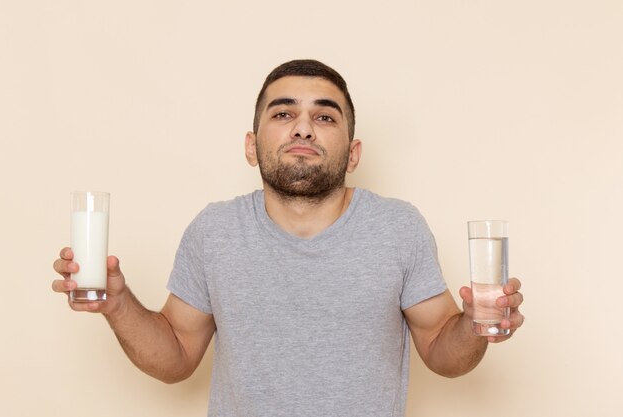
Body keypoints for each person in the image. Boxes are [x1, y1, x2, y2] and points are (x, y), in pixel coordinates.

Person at [53, 59, 524, 416]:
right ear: (251, 146)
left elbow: (444, 350)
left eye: (325, 117)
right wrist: (117, 304)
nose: (302, 127)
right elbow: (176, 355)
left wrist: (475, 323)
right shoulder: (214, 231)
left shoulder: (398, 228)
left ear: (353, 152)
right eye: (283, 114)